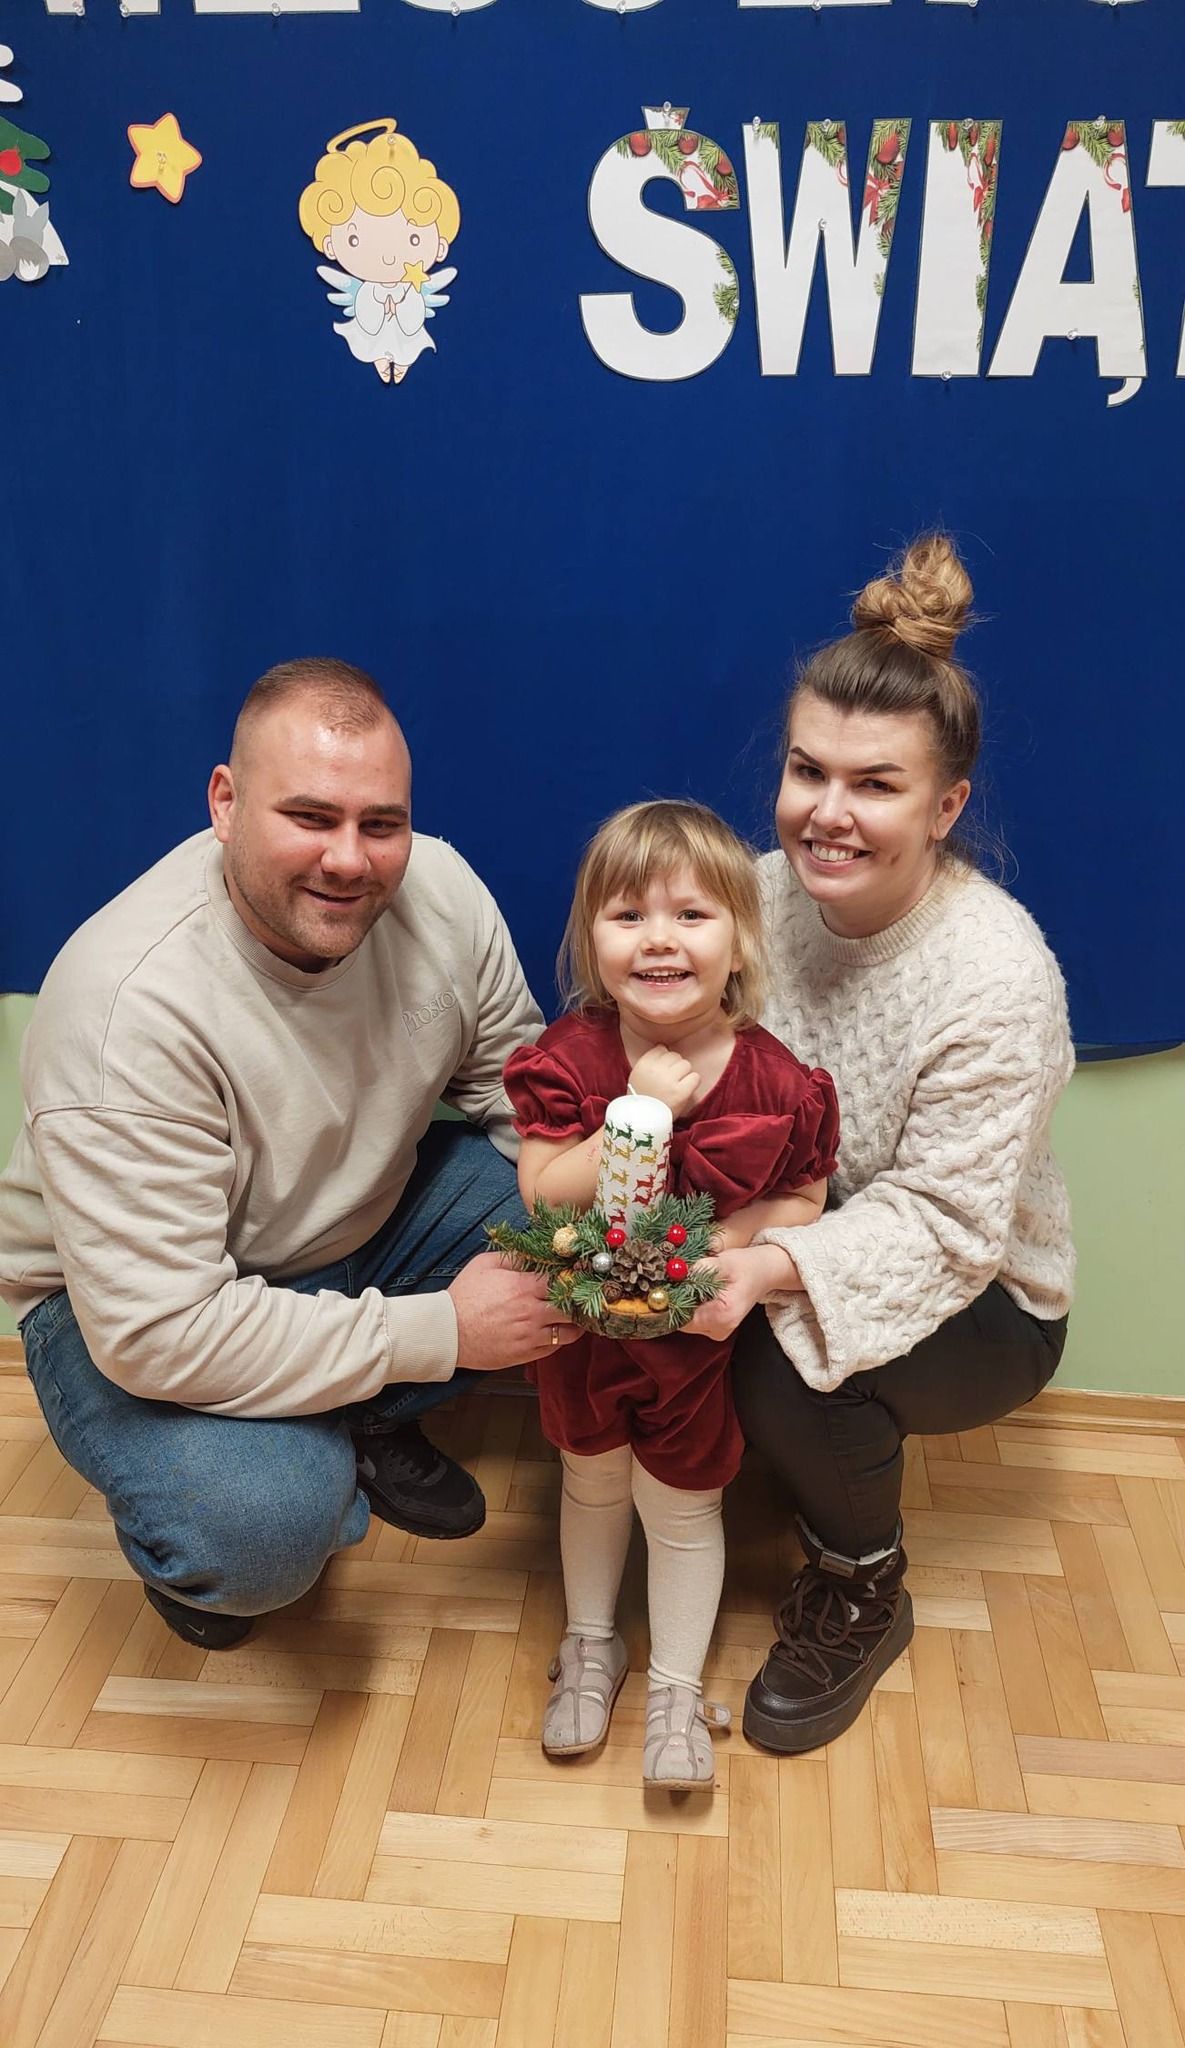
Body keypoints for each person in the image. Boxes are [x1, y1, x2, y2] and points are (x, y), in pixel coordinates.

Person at [0, 657, 580, 1649]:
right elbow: (161, 1331)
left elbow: (523, 1100)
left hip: (352, 1226)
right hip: (125, 1308)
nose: (349, 860)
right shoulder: (128, 1005)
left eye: (380, 824)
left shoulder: (441, 892)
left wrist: (615, 1219)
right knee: (262, 1524)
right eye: (309, 817)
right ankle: (223, 1532)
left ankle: (356, 1414)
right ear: (225, 804)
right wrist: (444, 1330)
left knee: (570, 1222)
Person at [683, 536, 1074, 1754]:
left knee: (780, 1360)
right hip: (797, 1221)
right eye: (808, 770)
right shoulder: (758, 892)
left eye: (876, 784)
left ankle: (862, 1578)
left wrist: (762, 1264)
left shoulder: (996, 975)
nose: (828, 812)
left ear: (945, 806)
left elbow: (946, 1225)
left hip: (985, 1290)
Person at [503, 801, 839, 1789]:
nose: (658, 938)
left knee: (683, 1506)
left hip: (693, 1352)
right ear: (591, 938)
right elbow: (542, 1191)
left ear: (739, 940)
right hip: (582, 1338)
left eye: (691, 915)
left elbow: (807, 1197)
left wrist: (723, 1244)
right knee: (591, 1484)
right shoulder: (570, 1057)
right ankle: (591, 1641)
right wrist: (637, 1114)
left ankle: (677, 1687)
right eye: (628, 915)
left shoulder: (777, 1083)